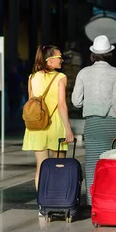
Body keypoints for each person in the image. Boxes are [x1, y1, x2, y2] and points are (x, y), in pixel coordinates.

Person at [71, 35, 116, 206]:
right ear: (109, 54)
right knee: (111, 164)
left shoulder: (83, 73)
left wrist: (87, 102)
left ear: (93, 54)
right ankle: (109, 199)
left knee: (91, 164)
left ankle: (92, 201)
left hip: (92, 125)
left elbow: (76, 101)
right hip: (112, 125)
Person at [22, 45, 75, 194]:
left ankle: (42, 203)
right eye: (59, 58)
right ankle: (57, 199)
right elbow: (62, 105)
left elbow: (32, 102)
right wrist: (68, 129)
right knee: (59, 165)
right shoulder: (61, 78)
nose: (62, 61)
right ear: (50, 61)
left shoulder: (32, 77)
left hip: (37, 126)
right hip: (56, 127)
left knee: (41, 166)